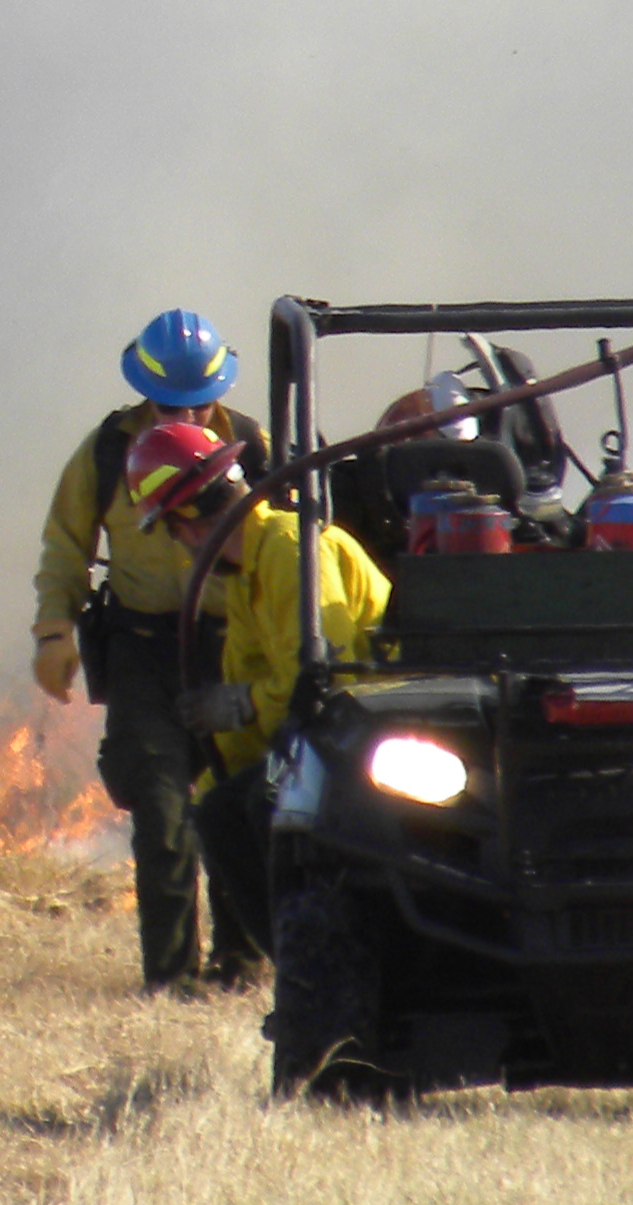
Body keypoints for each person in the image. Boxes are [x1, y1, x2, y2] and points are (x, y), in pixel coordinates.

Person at [31, 307, 264, 991]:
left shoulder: (253, 444)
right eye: (169, 404)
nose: (183, 415)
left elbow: (291, 543)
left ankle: (243, 964)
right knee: (162, 819)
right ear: (146, 392)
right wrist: (54, 631)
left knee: (234, 810)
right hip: (142, 650)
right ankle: (171, 978)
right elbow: (65, 548)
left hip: (233, 649)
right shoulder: (106, 452)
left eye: (199, 402)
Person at [120, 419, 393, 984]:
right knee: (223, 810)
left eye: (171, 528)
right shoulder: (248, 578)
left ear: (190, 519)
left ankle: (320, 971)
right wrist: (213, 785)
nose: (178, 544)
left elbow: (325, 680)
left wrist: (242, 705)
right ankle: (302, 969)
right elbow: (253, 695)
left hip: (377, 733)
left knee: (253, 809)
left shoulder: (295, 554)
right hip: (330, 736)